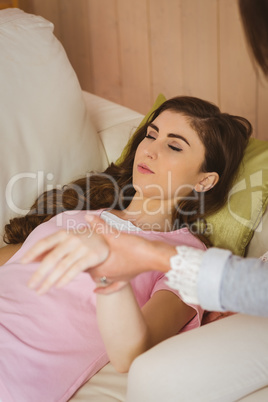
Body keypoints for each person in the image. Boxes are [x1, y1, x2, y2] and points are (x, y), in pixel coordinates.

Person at [0, 96, 251, 401]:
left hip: (15, 371)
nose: (150, 150)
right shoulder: (74, 216)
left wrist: (109, 275)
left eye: (173, 146)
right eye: (151, 134)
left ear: (205, 180)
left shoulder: (187, 258)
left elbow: (138, 350)